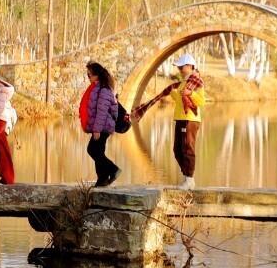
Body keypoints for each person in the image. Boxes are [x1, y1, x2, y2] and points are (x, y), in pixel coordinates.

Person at [132, 53, 206, 189]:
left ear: (190, 66)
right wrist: (174, 93)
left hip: (190, 119)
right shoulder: (183, 82)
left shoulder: (197, 82)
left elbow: (201, 101)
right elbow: (179, 99)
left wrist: (191, 94)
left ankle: (189, 180)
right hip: (180, 118)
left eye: (181, 67)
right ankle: (187, 178)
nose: (179, 70)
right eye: (179, 68)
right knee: (177, 150)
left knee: (187, 149)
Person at [80, 62, 122, 187]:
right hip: (101, 126)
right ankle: (102, 179)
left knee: (93, 150)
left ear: (97, 75)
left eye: (90, 75)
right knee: (98, 151)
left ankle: (113, 170)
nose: (88, 77)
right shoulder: (99, 87)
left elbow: (102, 111)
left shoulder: (103, 90)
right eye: (87, 75)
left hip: (103, 126)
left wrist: (97, 129)